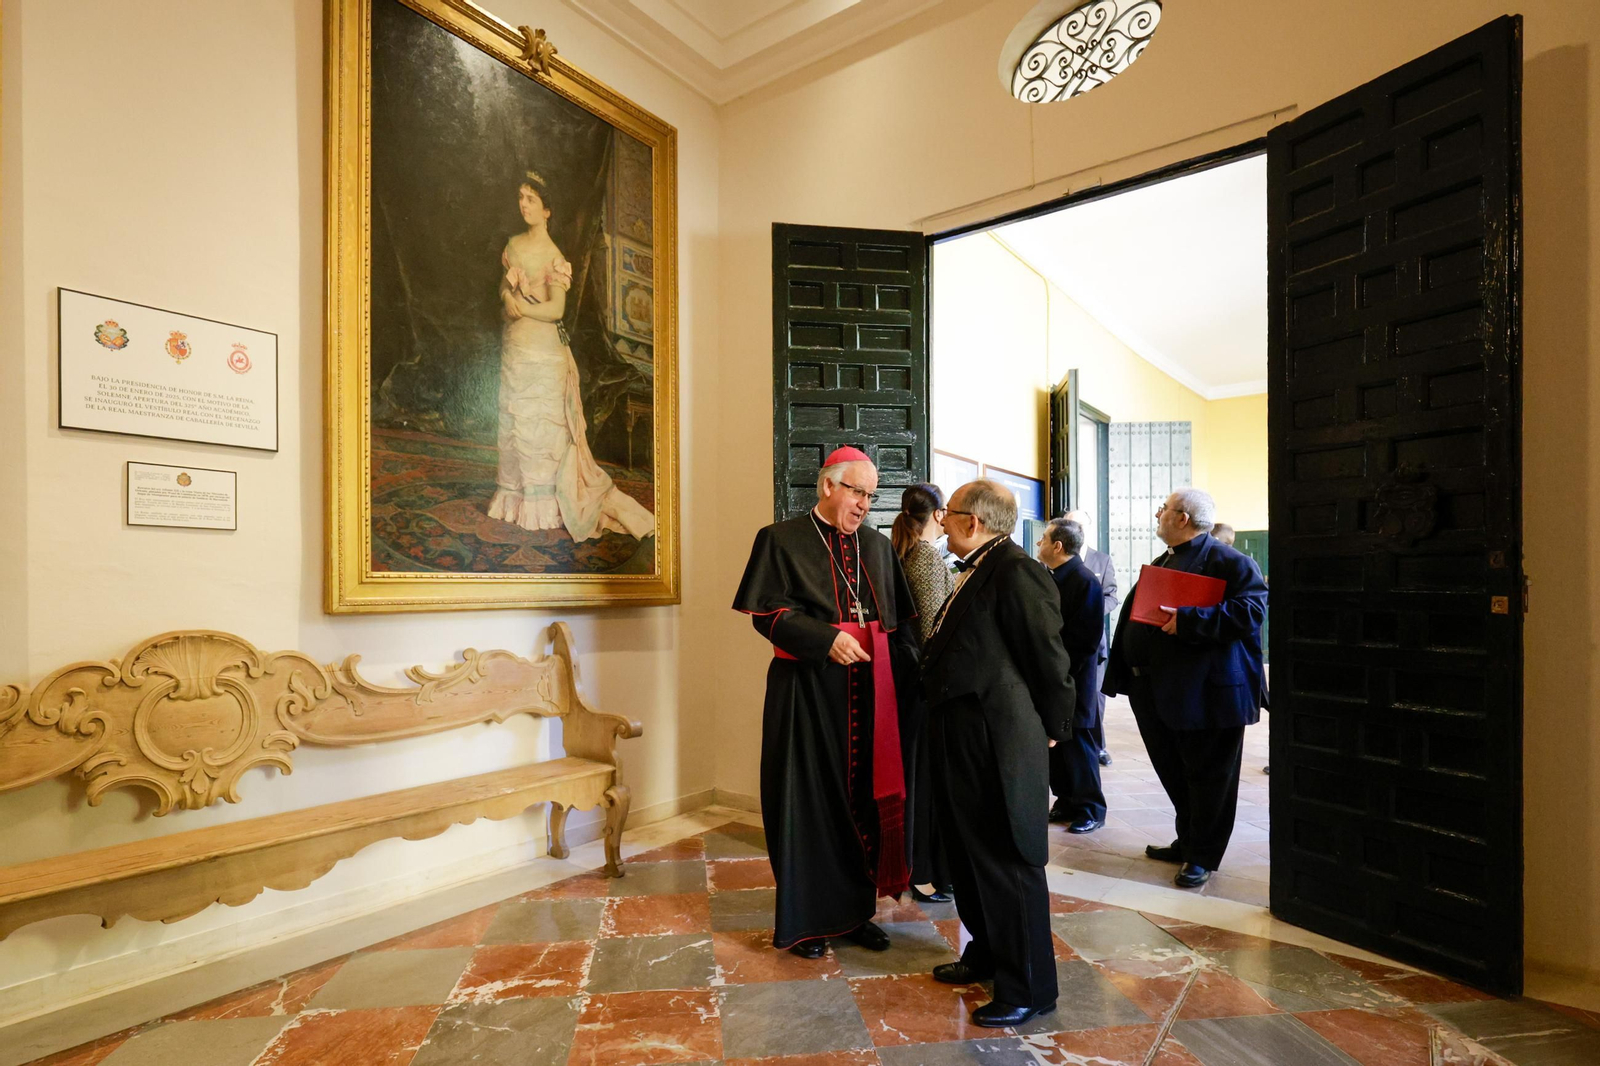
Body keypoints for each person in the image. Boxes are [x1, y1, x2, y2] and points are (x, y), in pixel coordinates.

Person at [732, 446, 920, 958]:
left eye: (871, 496)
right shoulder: (780, 539)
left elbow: (899, 623)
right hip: (807, 694)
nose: (864, 504)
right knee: (808, 804)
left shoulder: (878, 549)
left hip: (869, 693)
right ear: (828, 487)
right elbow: (763, 614)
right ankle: (810, 922)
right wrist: (822, 638)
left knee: (861, 801)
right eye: (857, 492)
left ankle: (856, 914)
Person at [922, 479, 1074, 1028]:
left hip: (996, 739)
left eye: (948, 514)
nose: (941, 522)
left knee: (1006, 859)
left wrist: (1055, 725)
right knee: (970, 855)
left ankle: (1030, 985)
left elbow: (1048, 657)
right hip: (963, 736)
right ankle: (986, 953)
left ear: (973, 522)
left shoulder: (1016, 570)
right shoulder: (979, 566)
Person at [1102, 489, 1267, 890]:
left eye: (1164, 509)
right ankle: (1188, 840)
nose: (1158, 514)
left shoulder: (1230, 561)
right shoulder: (1166, 559)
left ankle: (1203, 856)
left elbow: (1253, 610)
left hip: (1208, 694)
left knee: (1209, 777)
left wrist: (1191, 621)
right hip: (1156, 690)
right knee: (1175, 772)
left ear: (1183, 518)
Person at [487, 171, 655, 542]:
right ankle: (514, 500)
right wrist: (506, 297)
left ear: (547, 210)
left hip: (543, 348)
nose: (524, 205)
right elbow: (504, 285)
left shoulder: (554, 256)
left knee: (541, 425)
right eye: (521, 198)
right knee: (515, 418)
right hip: (514, 344)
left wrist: (523, 308)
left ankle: (544, 505)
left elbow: (556, 311)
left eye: (531, 199)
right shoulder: (513, 244)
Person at [891, 484, 956, 904]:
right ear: (937, 515)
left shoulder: (905, 551)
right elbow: (935, 629)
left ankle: (916, 868)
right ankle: (922, 872)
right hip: (925, 685)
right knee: (926, 783)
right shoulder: (927, 557)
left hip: (908, 682)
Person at [1036, 518, 1107, 833]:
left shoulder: (1084, 580)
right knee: (1059, 745)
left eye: (1043, 539)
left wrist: (1059, 674)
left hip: (1072, 679)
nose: (1039, 544)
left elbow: (1085, 639)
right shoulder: (1053, 576)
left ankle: (1090, 808)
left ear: (1058, 546)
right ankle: (1066, 801)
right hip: (1055, 676)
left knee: (1078, 744)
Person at [1064, 509, 1118, 767]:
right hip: (1064, 640)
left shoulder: (1101, 560)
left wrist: (1089, 610)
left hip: (1094, 641)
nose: (1077, 530)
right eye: (1071, 525)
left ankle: (1098, 747)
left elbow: (1112, 596)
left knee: (1095, 696)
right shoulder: (1053, 557)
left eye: (1080, 526)